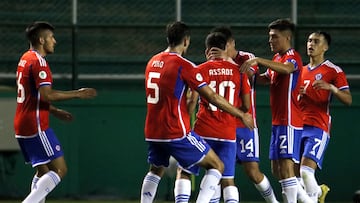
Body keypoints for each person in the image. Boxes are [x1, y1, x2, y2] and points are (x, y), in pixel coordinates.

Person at [141, 21, 254, 203]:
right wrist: (241, 115)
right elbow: (212, 97)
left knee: (156, 169)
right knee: (217, 166)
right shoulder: (185, 65)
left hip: (153, 131)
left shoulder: (152, 61)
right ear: (186, 41)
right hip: (177, 131)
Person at [14, 21, 97, 203]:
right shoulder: (39, 62)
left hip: (22, 124)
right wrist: (78, 93)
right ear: (42, 40)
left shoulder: (25, 58)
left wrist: (54, 111)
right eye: (51, 37)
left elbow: (33, 97)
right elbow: (47, 94)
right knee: (59, 170)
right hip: (35, 125)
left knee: (42, 171)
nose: (55, 41)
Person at [174, 31, 252, 203]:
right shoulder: (239, 72)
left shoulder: (200, 69)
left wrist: (185, 126)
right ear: (226, 48)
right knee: (227, 179)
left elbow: (192, 101)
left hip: (204, 130)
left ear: (207, 50)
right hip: (227, 133)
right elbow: (246, 106)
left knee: (185, 171)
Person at [240, 18, 311, 203]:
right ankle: (310, 200)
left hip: (289, 120)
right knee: (276, 170)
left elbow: (287, 70)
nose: (270, 41)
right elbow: (266, 79)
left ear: (287, 37)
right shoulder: (277, 58)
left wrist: (258, 60)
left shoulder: (292, 56)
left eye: (274, 37)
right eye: (269, 37)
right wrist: (252, 75)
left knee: (286, 169)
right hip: (277, 121)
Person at [207, 26, 280, 203]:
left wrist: (226, 61)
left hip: (244, 124)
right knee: (218, 172)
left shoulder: (246, 58)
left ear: (232, 43)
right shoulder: (211, 62)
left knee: (253, 172)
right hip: (221, 124)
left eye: (225, 45)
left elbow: (249, 76)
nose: (223, 50)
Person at [299, 31, 352, 203]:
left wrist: (331, 88)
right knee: (293, 178)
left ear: (325, 47)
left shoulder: (333, 71)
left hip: (317, 126)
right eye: (309, 41)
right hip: (297, 125)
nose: (311, 44)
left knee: (306, 172)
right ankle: (319, 193)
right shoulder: (301, 70)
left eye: (315, 41)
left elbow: (348, 99)